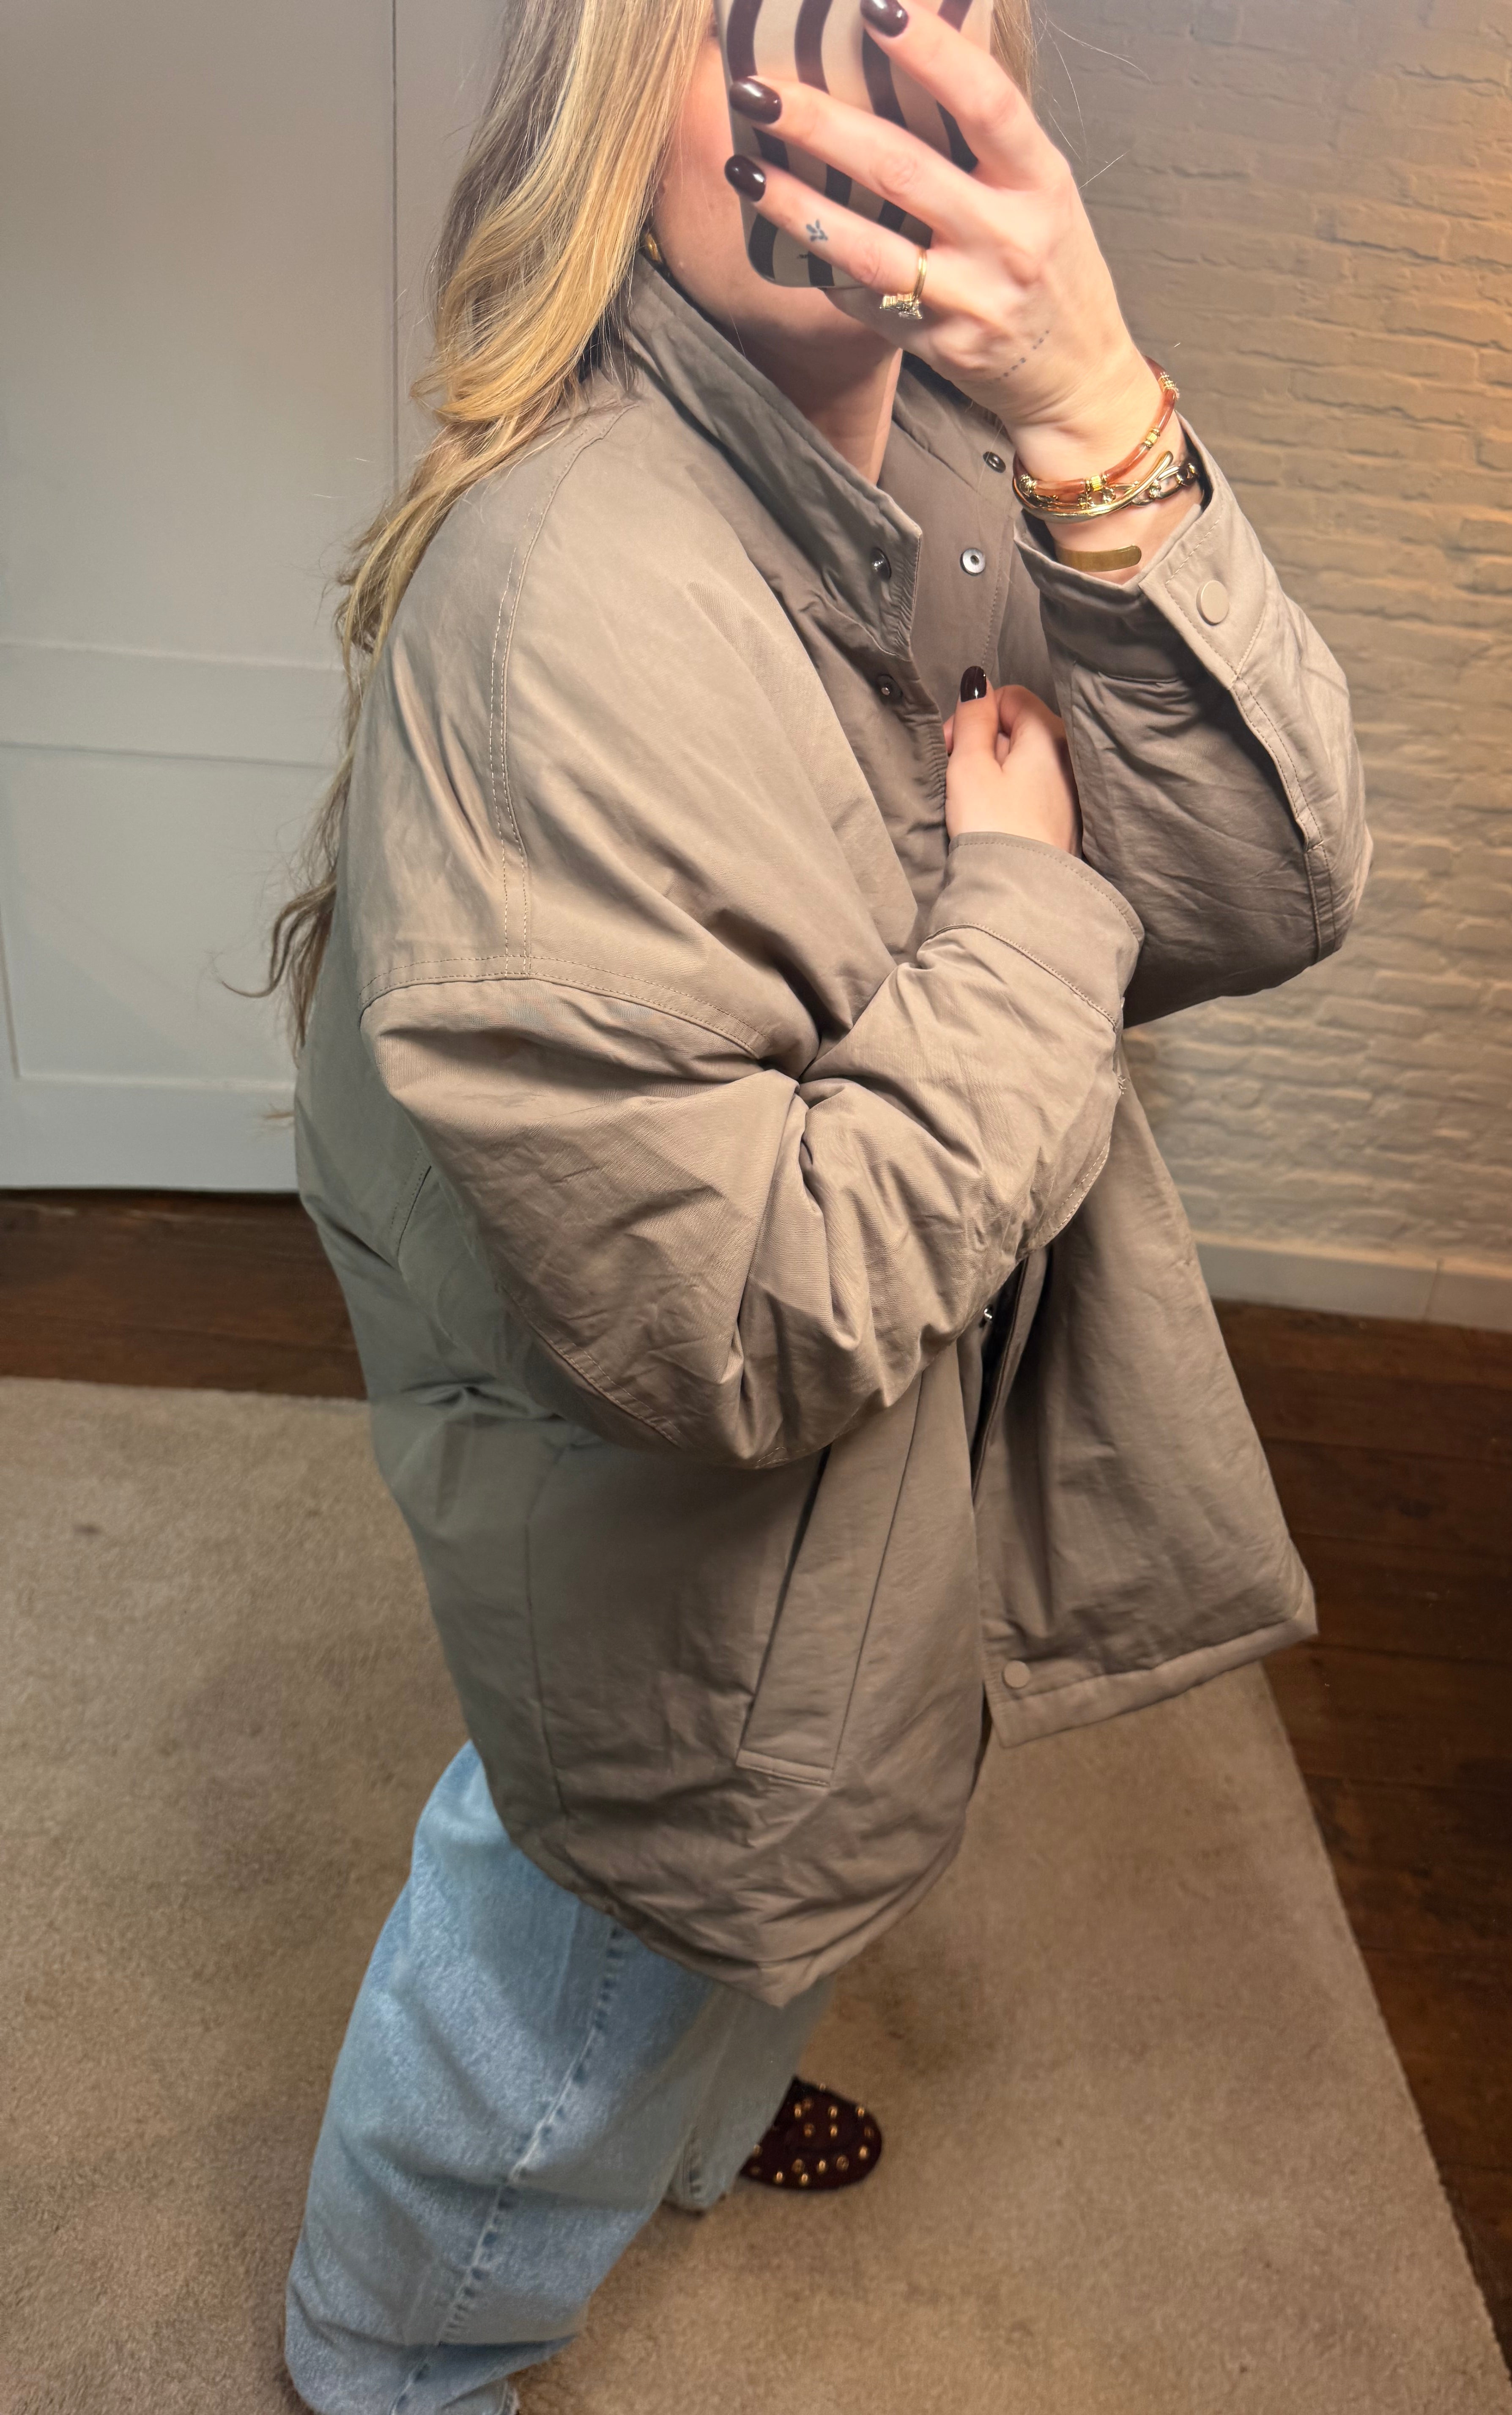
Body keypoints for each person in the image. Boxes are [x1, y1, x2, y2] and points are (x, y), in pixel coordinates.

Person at [272, 0, 1369, 2404]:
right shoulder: (568, 589)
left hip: (895, 1458)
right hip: (688, 1503)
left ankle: (689, 2109)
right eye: (759, 20)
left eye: (923, 9)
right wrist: (1033, 906)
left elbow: (1266, 889)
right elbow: (738, 1316)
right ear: (616, 100)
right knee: (585, 1931)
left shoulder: (974, 463)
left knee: (778, 1869)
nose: (854, 77)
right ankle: (389, 2353)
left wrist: (1099, 403)